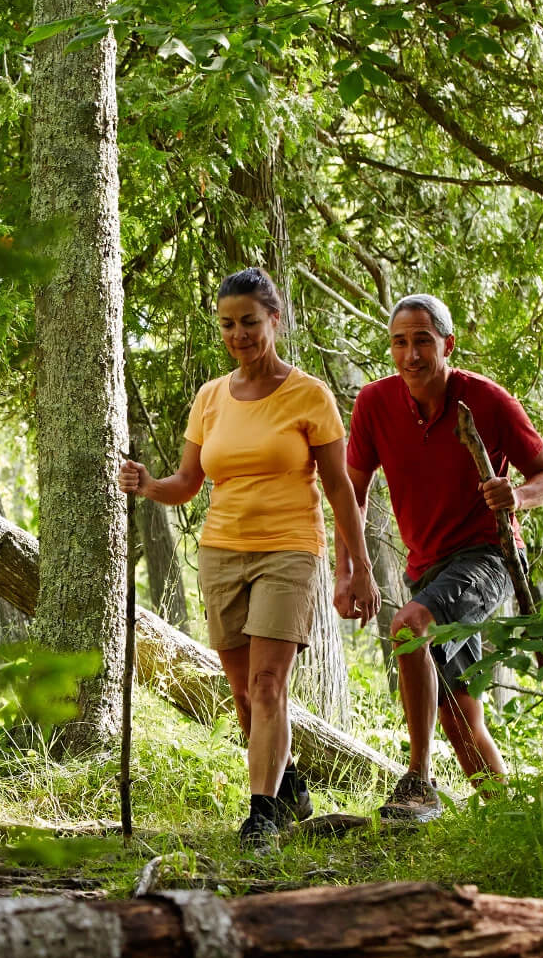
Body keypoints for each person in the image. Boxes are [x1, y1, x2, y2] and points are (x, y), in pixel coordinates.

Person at [120, 269, 378, 851]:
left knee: (267, 685)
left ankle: (261, 816)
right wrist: (146, 485)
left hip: (289, 549)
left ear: (275, 321)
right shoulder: (211, 397)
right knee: (242, 692)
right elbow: (187, 482)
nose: (239, 335)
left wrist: (356, 565)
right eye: (228, 325)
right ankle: (288, 788)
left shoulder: (309, 395)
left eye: (250, 323)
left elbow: (340, 488)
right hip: (220, 551)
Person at [339, 294, 543, 821]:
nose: (411, 354)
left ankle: (418, 780)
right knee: (458, 715)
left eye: (422, 341)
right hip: (427, 567)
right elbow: (353, 491)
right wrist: (348, 570)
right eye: (399, 342)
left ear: (447, 344)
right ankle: (508, 822)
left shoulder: (487, 401)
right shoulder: (375, 404)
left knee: (409, 623)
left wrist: (520, 496)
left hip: (490, 556)